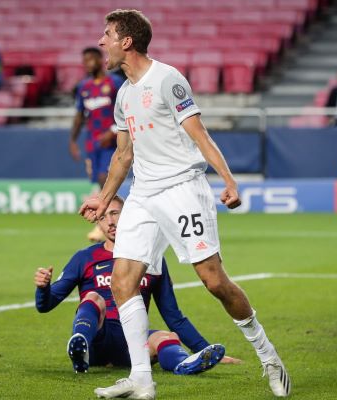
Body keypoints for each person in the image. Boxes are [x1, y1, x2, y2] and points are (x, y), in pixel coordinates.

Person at [80, 10, 290, 399]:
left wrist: (228, 180)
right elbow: (123, 156)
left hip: (182, 189)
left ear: (127, 41)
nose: (101, 41)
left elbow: (200, 135)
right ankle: (142, 380)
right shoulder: (123, 95)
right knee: (123, 282)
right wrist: (104, 198)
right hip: (143, 194)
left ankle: (268, 355)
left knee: (213, 280)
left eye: (107, 34)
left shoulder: (167, 79)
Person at [34, 195, 234, 377]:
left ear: (128, 215)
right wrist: (43, 288)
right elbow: (46, 305)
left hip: (132, 342)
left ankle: (184, 364)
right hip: (97, 338)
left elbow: (173, 316)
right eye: (103, 217)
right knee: (94, 297)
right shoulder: (85, 258)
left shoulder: (151, 258)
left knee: (168, 337)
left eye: (114, 214)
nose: (110, 222)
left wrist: (202, 348)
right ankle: (80, 348)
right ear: (98, 223)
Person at [70, 47, 124, 242]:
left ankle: (104, 226)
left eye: (91, 59)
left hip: (112, 142)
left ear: (100, 60)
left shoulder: (115, 82)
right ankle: (113, 223)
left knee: (104, 180)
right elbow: (79, 116)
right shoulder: (84, 87)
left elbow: (127, 109)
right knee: (101, 182)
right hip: (93, 143)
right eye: (85, 60)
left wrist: (114, 131)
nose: (87, 63)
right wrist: (73, 141)